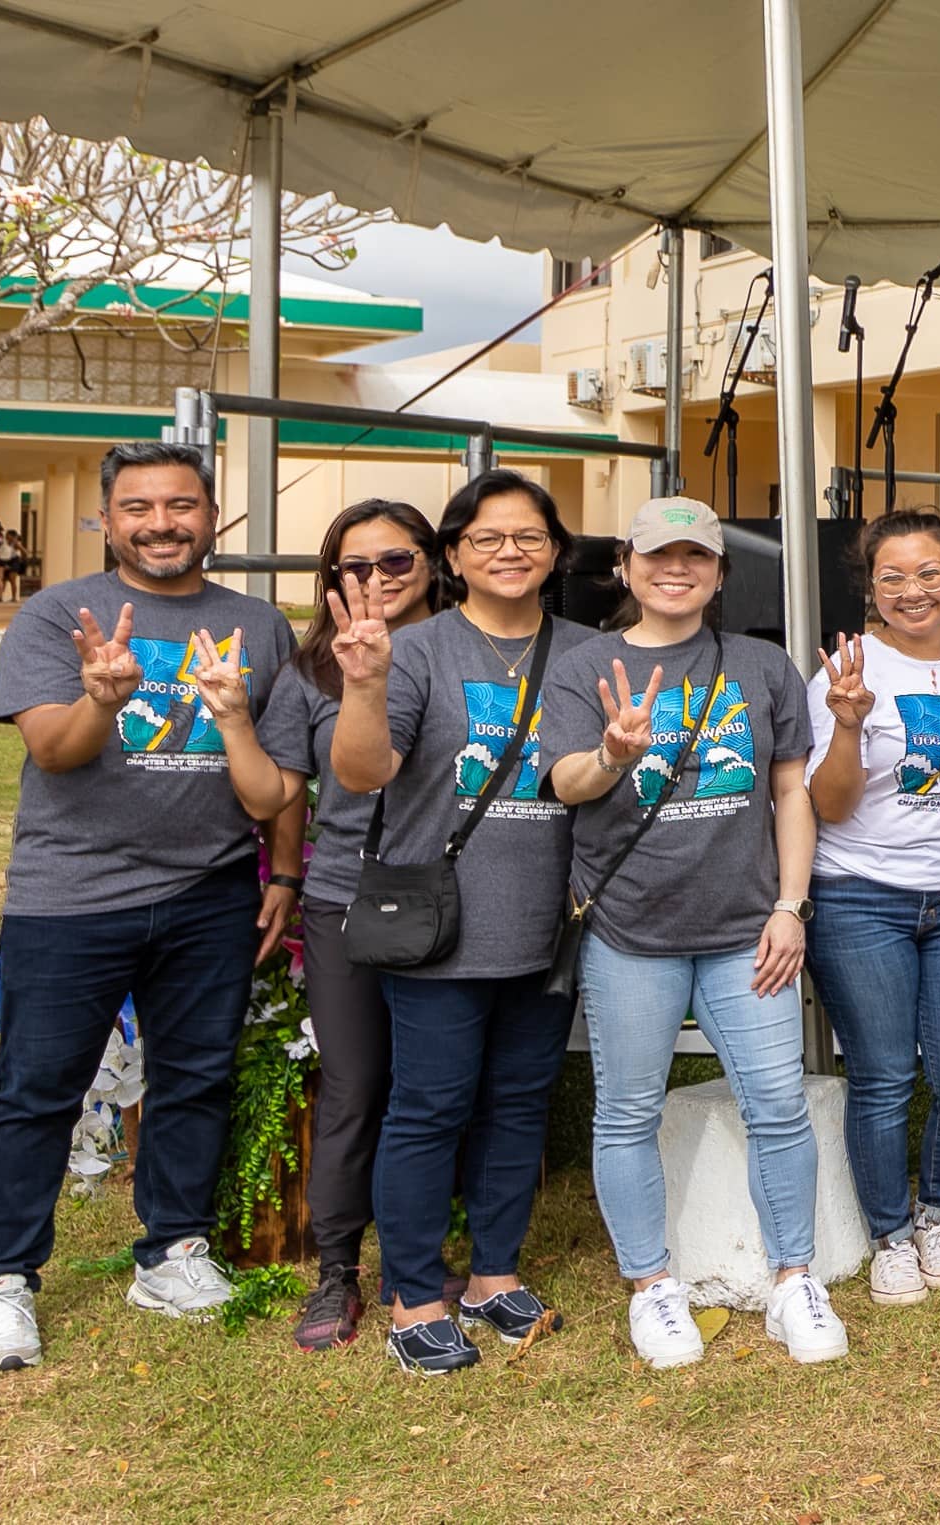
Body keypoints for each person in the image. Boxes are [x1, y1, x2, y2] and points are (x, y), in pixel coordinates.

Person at [0, 441, 292, 1379]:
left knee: (193, 1079)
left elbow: (278, 780)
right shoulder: (57, 614)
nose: (161, 523)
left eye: (180, 505)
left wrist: (286, 875)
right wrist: (103, 701)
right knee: (36, 1089)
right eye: (138, 507)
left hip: (211, 893)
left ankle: (173, 1250)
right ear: (107, 518)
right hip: (72, 896)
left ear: (212, 516)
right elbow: (57, 752)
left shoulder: (256, 625)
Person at [539, 496, 842, 1371]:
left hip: (748, 932)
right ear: (626, 568)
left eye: (696, 557)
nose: (677, 570)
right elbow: (565, 783)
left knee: (778, 1107)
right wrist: (612, 756)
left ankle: (793, 1279)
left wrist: (791, 905)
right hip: (630, 931)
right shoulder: (585, 664)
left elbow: (791, 790)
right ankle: (651, 1286)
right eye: (657, 556)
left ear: (717, 572)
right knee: (626, 1112)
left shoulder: (760, 664)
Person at [318, 471, 590, 1373]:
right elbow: (362, 773)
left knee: (516, 1108)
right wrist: (363, 683)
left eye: (529, 536)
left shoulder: (589, 652)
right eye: (486, 537)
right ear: (453, 556)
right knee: (429, 1109)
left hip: (550, 924)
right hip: (439, 928)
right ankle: (414, 1294)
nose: (509, 551)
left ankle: (493, 1276)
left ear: (556, 551)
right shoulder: (419, 649)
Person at [241, 496, 442, 1353]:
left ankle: (420, 1262)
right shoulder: (311, 672)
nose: (373, 580)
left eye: (394, 561)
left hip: (461, 897)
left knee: (440, 1089)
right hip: (348, 903)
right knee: (355, 1086)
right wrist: (286, 873)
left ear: (432, 561)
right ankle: (337, 1270)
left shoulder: (477, 649)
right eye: (353, 567)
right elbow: (281, 794)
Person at [802, 510, 940, 1307]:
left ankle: (937, 1212)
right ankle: (889, 1233)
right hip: (859, 895)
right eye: (892, 576)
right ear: (871, 589)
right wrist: (848, 725)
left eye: (929, 573)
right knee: (885, 1076)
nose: (912, 590)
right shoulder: (845, 671)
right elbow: (830, 802)